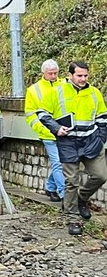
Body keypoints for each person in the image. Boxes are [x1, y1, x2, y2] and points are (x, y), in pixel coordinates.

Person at [36, 60, 107, 236]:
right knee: (71, 181)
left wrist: (101, 139)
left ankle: (81, 199)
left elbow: (103, 117)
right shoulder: (57, 91)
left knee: (100, 175)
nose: (83, 79)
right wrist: (56, 128)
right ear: (70, 75)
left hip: (91, 141)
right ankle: (72, 218)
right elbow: (42, 113)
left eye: (85, 75)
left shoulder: (94, 93)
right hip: (68, 142)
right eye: (79, 75)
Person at [24, 59, 65, 204]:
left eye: (55, 73)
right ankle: (64, 194)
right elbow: (30, 114)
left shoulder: (65, 85)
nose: (53, 76)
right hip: (47, 133)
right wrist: (41, 128)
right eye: (50, 73)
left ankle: (51, 187)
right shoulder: (33, 90)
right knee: (58, 163)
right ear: (43, 73)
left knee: (62, 163)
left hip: (64, 132)